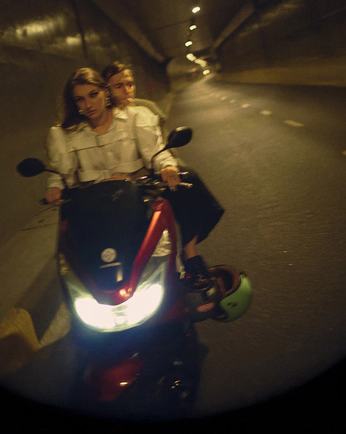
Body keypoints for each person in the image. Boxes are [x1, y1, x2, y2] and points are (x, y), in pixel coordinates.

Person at [44, 67, 222, 287]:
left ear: (105, 92)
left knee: (185, 182)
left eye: (93, 95)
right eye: (80, 99)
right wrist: (54, 187)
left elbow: (156, 153)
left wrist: (167, 166)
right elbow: (60, 174)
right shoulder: (67, 134)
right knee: (71, 232)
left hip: (137, 197)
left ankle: (189, 259)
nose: (88, 104)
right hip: (94, 204)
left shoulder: (134, 117)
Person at [101, 61, 167, 135]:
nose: (127, 90)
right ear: (107, 90)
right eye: (119, 86)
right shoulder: (102, 117)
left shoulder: (149, 108)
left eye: (130, 84)